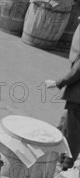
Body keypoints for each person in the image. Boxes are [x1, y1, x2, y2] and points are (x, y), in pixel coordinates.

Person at [45, 26, 80, 170]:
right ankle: (58, 155)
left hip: (78, 99)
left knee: (73, 131)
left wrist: (58, 83)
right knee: (65, 124)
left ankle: (66, 164)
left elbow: (77, 71)